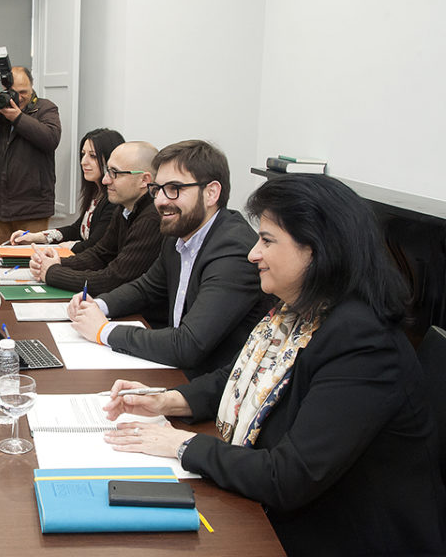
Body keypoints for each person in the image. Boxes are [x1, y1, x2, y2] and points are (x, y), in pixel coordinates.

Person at [100, 175, 446, 556]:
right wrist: (165, 401)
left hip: (344, 534)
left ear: (317, 249)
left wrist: (181, 443)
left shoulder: (362, 341)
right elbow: (235, 379)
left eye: (267, 240)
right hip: (292, 513)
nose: (253, 254)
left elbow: (290, 475)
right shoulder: (297, 312)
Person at [68, 140, 272, 378]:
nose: (161, 201)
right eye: (158, 189)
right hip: (176, 371)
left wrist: (103, 330)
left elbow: (188, 344)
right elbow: (146, 288)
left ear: (211, 193)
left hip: (207, 389)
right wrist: (96, 305)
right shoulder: (180, 231)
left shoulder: (233, 250)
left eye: (174, 188)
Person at [30, 141, 164, 298]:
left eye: (115, 173)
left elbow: (113, 279)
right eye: (108, 171)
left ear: (144, 180)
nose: (105, 180)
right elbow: (100, 254)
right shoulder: (125, 208)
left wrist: (52, 273)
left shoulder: (152, 219)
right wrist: (57, 262)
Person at [0, 66, 61, 240]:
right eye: (13, 92)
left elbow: (50, 139)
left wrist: (18, 118)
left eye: (23, 91)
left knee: (30, 262)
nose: (19, 97)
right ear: (5, 91)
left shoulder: (45, 108)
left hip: (33, 209)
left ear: (32, 87)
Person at [9, 128, 124, 253]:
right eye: (83, 154)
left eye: (92, 156)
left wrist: (64, 248)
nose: (83, 162)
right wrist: (36, 237)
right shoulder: (96, 194)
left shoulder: (113, 201)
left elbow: (94, 245)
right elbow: (76, 230)